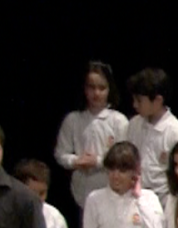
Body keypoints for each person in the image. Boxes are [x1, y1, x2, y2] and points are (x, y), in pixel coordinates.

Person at [54, 61, 129, 210]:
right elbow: (60, 153)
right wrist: (76, 161)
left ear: (109, 89)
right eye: (91, 87)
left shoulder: (119, 121)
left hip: (112, 191)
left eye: (102, 88)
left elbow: (125, 157)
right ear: (84, 88)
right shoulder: (73, 119)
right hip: (81, 193)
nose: (96, 93)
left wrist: (98, 161)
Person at [126, 68, 178, 203]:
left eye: (139, 100)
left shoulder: (176, 133)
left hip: (164, 202)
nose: (134, 105)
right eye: (134, 99)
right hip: (135, 198)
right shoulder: (134, 124)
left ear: (158, 100)